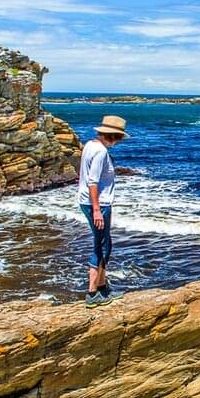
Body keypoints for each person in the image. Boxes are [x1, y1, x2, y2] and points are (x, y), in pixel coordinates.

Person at [77, 115, 128, 308]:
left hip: (89, 202)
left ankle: (102, 287)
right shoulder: (100, 152)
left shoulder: (90, 145)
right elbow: (93, 182)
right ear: (113, 135)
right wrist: (97, 210)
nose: (119, 142)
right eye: (119, 138)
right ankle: (92, 294)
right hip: (98, 204)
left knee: (106, 243)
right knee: (101, 246)